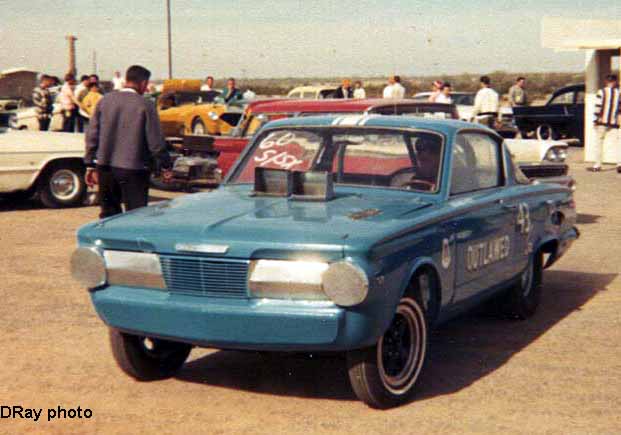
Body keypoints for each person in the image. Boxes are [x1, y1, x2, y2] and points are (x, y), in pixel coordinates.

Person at [84, 65, 172, 218]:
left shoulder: (105, 101)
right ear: (143, 83)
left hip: (106, 168)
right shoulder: (145, 105)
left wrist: (90, 164)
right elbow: (155, 141)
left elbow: (92, 134)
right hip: (134, 169)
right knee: (135, 216)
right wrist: (165, 166)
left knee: (109, 215)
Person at [588, 74, 621, 173]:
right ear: (615, 82)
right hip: (614, 122)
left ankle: (597, 165)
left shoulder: (601, 92)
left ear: (606, 82)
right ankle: (619, 164)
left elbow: (598, 107)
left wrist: (595, 120)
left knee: (599, 143)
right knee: (617, 144)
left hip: (602, 121)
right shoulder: (619, 93)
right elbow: (620, 109)